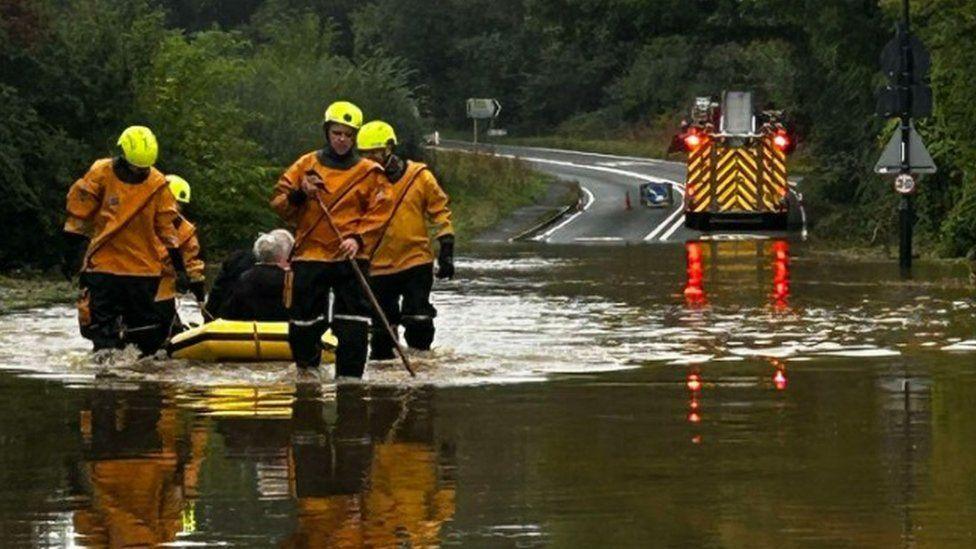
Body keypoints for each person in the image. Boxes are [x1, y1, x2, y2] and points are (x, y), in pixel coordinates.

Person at [270, 100, 386, 377]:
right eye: (337, 134)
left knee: (353, 323)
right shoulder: (305, 165)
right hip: (311, 255)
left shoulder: (370, 172)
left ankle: (350, 384)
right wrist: (301, 194)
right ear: (327, 132)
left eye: (348, 135)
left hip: (351, 257)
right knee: (304, 323)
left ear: (355, 137)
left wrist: (357, 239)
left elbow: (380, 214)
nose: (342, 140)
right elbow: (278, 202)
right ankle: (307, 376)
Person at [62, 125, 188, 356]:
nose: (138, 174)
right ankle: (112, 378)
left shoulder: (158, 185)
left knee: (144, 333)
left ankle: (131, 381)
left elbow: (167, 231)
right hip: (106, 267)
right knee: (103, 333)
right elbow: (79, 216)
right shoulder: (101, 174)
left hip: (141, 271)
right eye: (134, 168)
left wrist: (180, 270)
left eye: (143, 170)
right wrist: (72, 255)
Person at [356, 121, 454, 360]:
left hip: (415, 261)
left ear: (389, 148)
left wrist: (446, 249)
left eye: (374, 153)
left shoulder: (420, 177)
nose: (369, 160)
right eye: (364, 155)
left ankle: (422, 374)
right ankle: (384, 388)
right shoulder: (360, 182)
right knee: (381, 335)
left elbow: (439, 212)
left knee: (419, 321)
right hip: (377, 265)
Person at [154, 175, 206, 340]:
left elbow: (192, 265)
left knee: (168, 330)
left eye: (179, 205)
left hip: (163, 289)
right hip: (135, 281)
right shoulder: (140, 223)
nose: (176, 209)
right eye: (174, 203)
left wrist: (200, 296)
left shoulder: (186, 232)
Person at [218, 229, 293, 321]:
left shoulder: (245, 278)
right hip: (282, 332)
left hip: (251, 332)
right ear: (283, 254)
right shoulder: (289, 279)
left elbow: (229, 312)